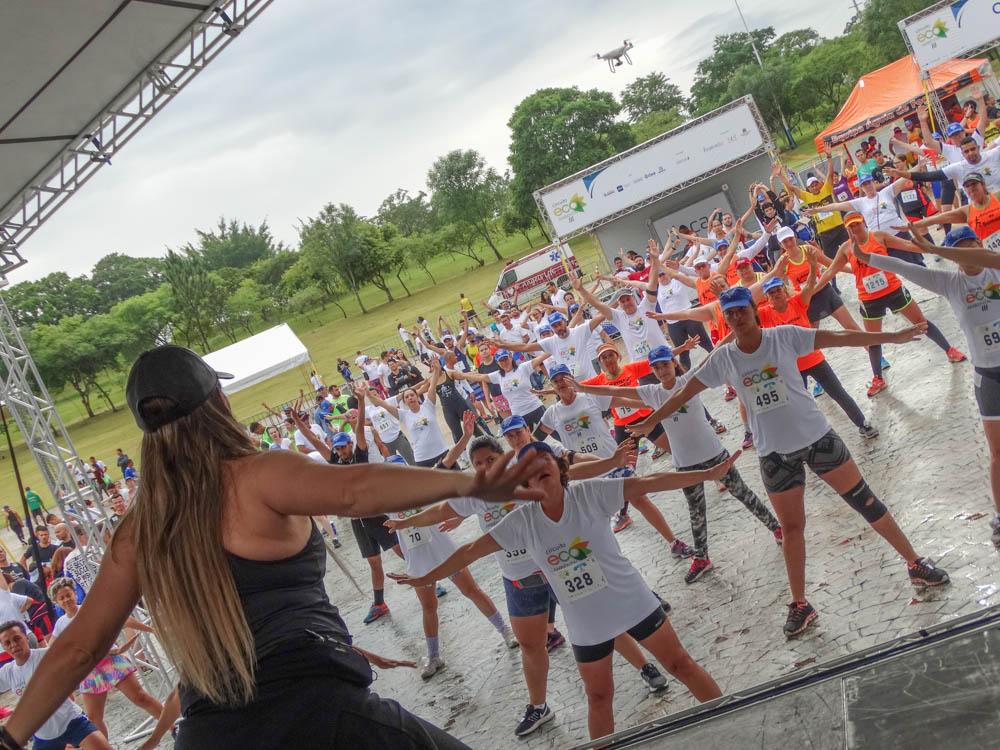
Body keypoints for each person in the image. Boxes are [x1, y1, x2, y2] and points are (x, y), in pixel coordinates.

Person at [0, 344, 551, 750]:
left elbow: (78, 647)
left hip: (208, 734)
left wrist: (10, 737)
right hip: (317, 717)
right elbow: (353, 490)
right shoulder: (254, 476)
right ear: (218, 400)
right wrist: (468, 482)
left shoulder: (140, 528)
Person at [628, 285, 950, 638]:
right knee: (792, 529)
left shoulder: (783, 336)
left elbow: (839, 338)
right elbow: (683, 392)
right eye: (729, 313)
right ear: (725, 319)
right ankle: (800, 603)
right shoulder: (724, 358)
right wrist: (649, 421)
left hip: (818, 439)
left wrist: (892, 336)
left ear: (754, 310)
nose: (736, 317)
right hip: (774, 456)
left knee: (866, 501)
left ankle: (914, 562)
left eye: (741, 309)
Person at [391, 441, 731, 740]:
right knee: (599, 697)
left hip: (632, 600)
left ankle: (733, 720)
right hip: (586, 622)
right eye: (530, 473)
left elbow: (650, 481)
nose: (539, 474)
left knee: (680, 664)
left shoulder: (589, 493)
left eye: (545, 465)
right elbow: (469, 551)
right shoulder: (521, 521)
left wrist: (707, 473)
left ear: (560, 468)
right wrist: (424, 577)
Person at [853, 226, 1000, 548]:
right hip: (988, 376)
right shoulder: (949, 283)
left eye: (971, 245)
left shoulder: (996, 267)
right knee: (997, 454)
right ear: (953, 257)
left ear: (980, 244)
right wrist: (866, 257)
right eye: (959, 249)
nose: (968, 253)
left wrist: (938, 249)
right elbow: (901, 267)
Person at [383, 441, 518, 680]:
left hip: (444, 552)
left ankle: (506, 631)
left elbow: (446, 462)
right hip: (418, 561)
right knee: (429, 607)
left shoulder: (425, 488)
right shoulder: (385, 502)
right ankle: (434, 655)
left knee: (472, 590)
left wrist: (465, 437)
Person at [816, 212, 966, 397]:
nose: (855, 228)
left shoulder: (879, 236)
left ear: (863, 223)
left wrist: (932, 249)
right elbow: (830, 272)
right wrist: (813, 290)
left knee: (921, 323)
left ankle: (950, 351)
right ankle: (878, 378)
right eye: (851, 226)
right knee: (873, 339)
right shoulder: (846, 249)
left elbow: (907, 245)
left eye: (857, 224)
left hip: (893, 290)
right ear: (847, 230)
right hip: (869, 299)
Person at [47, 578, 162, 741]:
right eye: (61, 598)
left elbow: (122, 619)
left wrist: (150, 629)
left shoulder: (90, 609)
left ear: (74, 594)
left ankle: (173, 726)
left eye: (68, 595)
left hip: (111, 661)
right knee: (93, 718)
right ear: (56, 602)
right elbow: (52, 648)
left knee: (140, 697)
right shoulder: (61, 624)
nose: (66, 600)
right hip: (88, 672)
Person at [0, 620, 113, 750]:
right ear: (3, 647)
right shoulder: (7, 672)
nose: (13, 645)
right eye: (7, 643)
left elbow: (81, 653)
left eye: (17, 638)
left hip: (72, 722)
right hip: (44, 737)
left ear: (26, 637)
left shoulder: (47, 655)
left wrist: (107, 649)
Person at [447, 349, 550, 433]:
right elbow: (480, 377)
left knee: (553, 432)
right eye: (501, 361)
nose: (504, 362)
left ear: (511, 357)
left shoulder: (523, 368)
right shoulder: (498, 375)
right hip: (519, 414)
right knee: (528, 442)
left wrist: (554, 342)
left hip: (536, 407)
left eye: (506, 359)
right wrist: (461, 375)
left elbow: (542, 357)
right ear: (498, 363)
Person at [897, 171, 1000, 252]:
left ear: (983, 184)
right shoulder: (967, 211)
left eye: (974, 184)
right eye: (967, 186)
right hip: (990, 255)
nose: (971, 188)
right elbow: (937, 219)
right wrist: (911, 226)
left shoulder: (997, 197)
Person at [775, 153, 849, 259]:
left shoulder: (826, 190)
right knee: (830, 260)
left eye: (816, 185)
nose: (815, 188)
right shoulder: (807, 196)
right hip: (825, 233)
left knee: (851, 251)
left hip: (839, 227)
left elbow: (830, 173)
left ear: (819, 184)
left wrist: (829, 156)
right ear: (808, 188)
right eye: (812, 186)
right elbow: (791, 187)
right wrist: (780, 175)